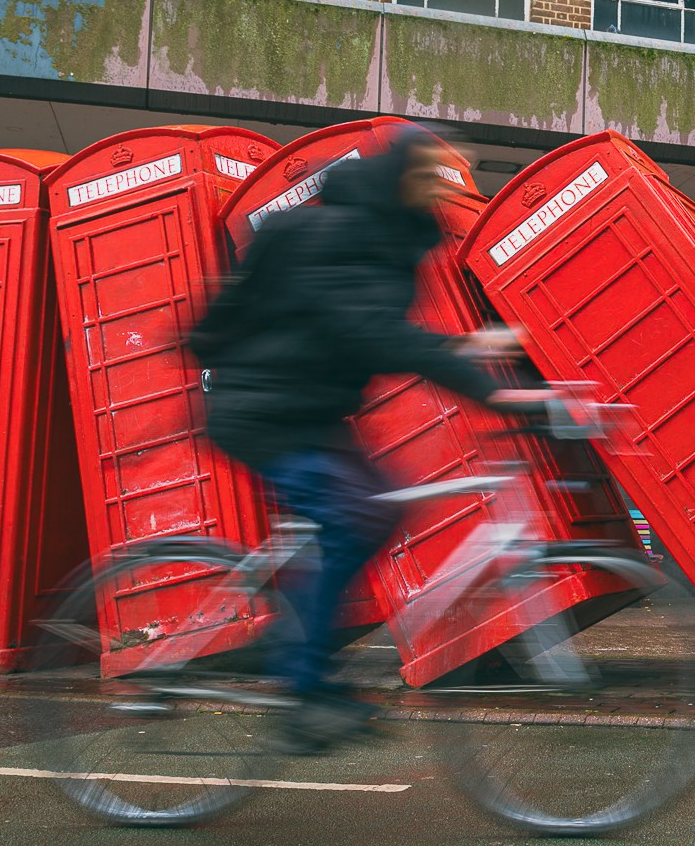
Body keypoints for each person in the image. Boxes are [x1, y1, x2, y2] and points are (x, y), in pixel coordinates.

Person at [187, 125, 543, 754]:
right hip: (264, 411)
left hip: (310, 409)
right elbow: (374, 335)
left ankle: (297, 645)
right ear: (403, 177)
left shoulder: (386, 239)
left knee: (375, 512)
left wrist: (475, 346)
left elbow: (380, 330)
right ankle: (303, 685)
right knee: (354, 516)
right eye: (429, 174)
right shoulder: (340, 234)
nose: (438, 185)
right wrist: (494, 391)